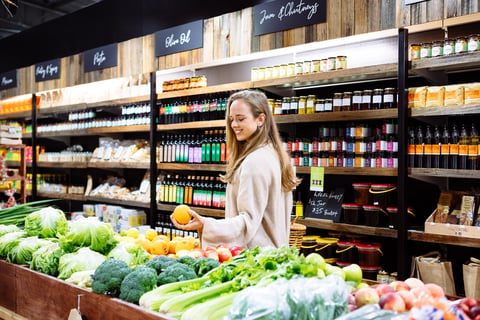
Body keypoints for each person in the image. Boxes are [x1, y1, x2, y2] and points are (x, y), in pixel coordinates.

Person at [170, 89, 300, 248]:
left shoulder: (255, 161)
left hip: (254, 260)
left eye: (240, 119)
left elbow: (247, 222)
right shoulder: (276, 155)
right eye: (232, 119)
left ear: (260, 119)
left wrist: (206, 224)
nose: (234, 125)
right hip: (274, 256)